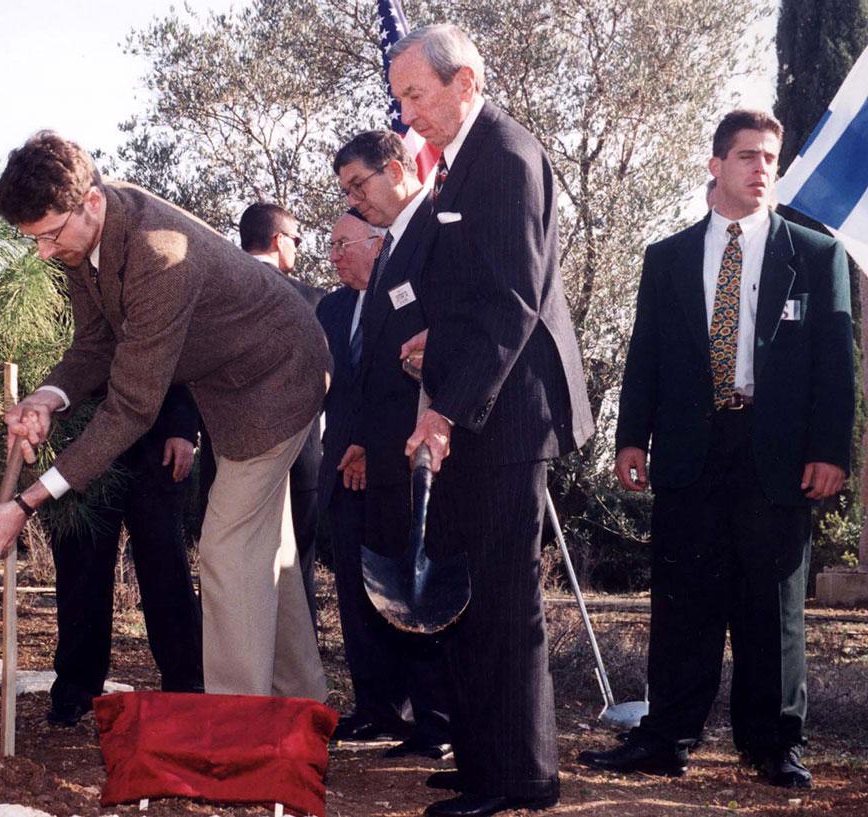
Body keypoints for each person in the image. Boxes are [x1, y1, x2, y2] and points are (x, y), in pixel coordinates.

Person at [0, 131, 329, 701]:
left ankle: (236, 735)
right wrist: (49, 395)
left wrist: (29, 500)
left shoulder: (156, 253)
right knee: (271, 553)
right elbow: (95, 342)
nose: (43, 253)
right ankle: (305, 708)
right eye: (33, 241)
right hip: (232, 388)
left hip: (278, 381)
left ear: (90, 201)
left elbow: (131, 409)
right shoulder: (87, 238)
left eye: (48, 237)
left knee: (226, 554)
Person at [578, 109, 855, 789]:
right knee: (683, 600)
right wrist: (629, 436)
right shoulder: (667, 257)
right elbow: (645, 355)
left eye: (770, 158)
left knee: (773, 604)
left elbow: (836, 366)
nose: (762, 169)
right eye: (747, 157)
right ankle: (665, 736)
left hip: (778, 451)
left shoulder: (814, 257)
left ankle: (774, 743)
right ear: (715, 165)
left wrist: (830, 449)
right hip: (690, 449)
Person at [388, 25, 594, 817]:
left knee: (506, 600)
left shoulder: (505, 156)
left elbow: (515, 300)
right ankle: (482, 757)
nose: (407, 116)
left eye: (416, 95)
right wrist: (437, 336)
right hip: (484, 408)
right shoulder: (463, 161)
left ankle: (520, 778)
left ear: (464, 80)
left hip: (507, 419)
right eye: (401, 98)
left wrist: (442, 409)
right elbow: (485, 291)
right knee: (471, 593)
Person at [329, 135, 451, 759]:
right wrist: (361, 445)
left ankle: (438, 722)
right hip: (382, 459)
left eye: (358, 187)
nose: (355, 201)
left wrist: (392, 446)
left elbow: (420, 372)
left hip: (419, 458)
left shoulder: (431, 241)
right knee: (393, 589)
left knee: (421, 585)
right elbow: (375, 377)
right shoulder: (376, 286)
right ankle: (421, 720)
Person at [195, 202, 324, 625]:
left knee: (233, 559)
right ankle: (294, 671)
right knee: (294, 564)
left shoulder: (213, 295)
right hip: (300, 451)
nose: (299, 250)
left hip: (228, 448)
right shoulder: (312, 301)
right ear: (278, 239)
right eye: (298, 240)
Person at [45, 384, 203, 726]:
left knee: (167, 571)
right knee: (79, 573)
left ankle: (186, 686)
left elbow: (182, 363)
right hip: (84, 444)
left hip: (155, 443)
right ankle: (76, 689)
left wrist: (183, 429)